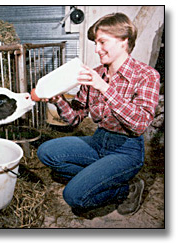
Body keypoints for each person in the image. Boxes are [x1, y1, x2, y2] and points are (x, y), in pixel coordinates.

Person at [37, 12, 160, 218]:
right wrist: (58, 100)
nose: (96, 49)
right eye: (95, 43)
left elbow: (139, 124)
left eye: (102, 42)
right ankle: (100, 177)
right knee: (46, 152)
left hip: (126, 150)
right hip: (98, 141)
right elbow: (75, 118)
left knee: (74, 197)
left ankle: (128, 189)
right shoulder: (96, 73)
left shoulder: (146, 75)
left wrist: (104, 87)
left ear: (124, 41)